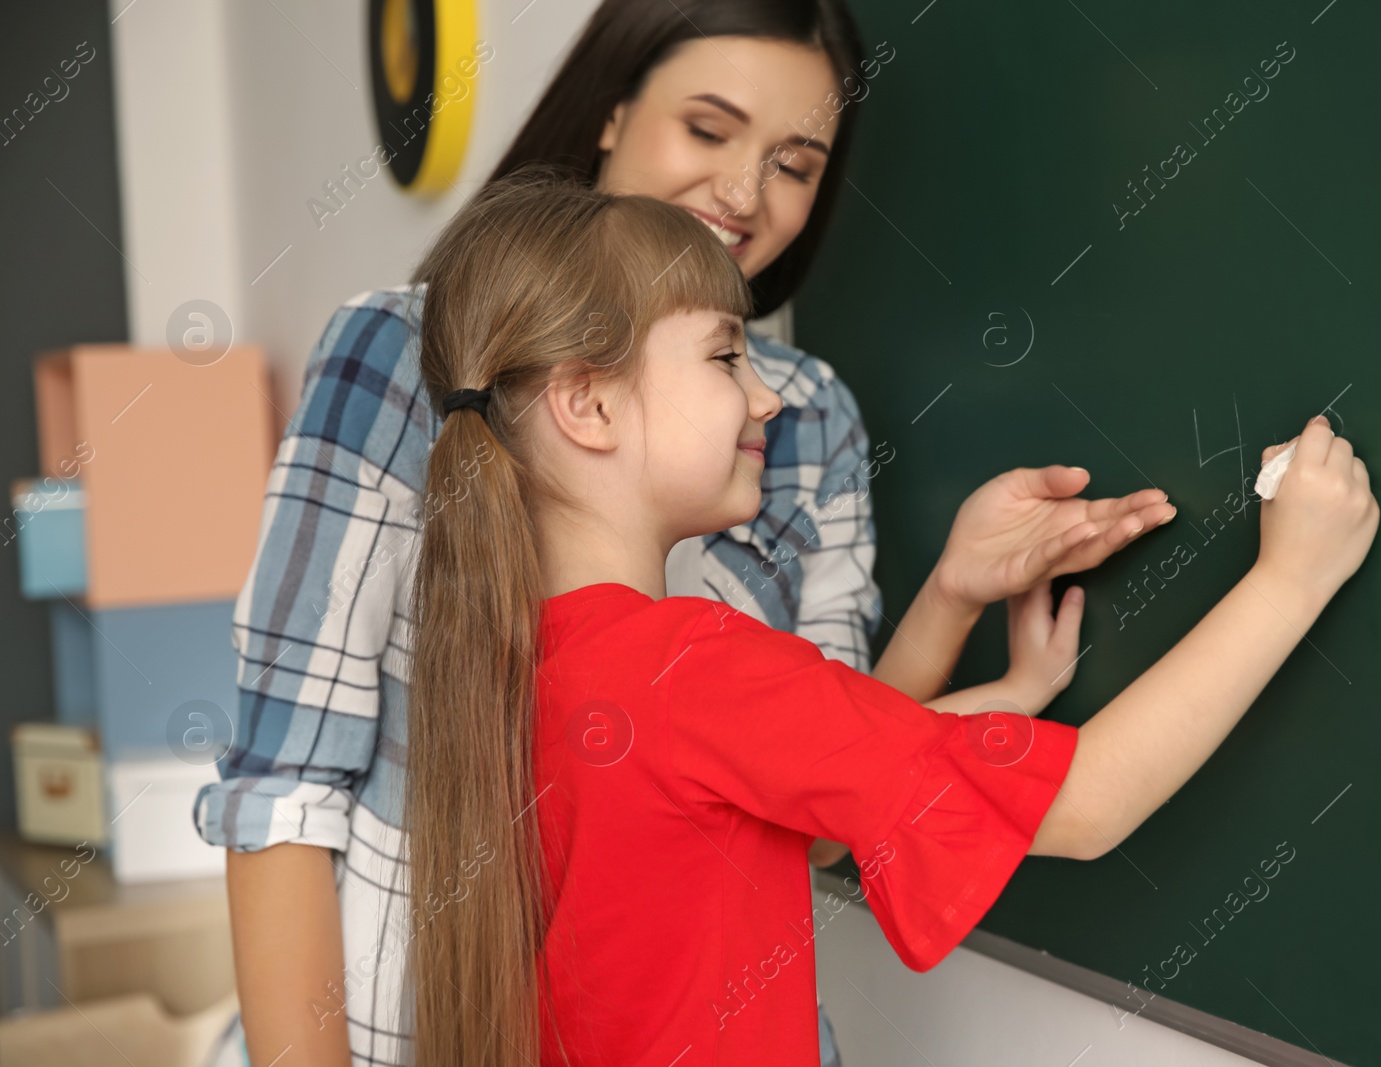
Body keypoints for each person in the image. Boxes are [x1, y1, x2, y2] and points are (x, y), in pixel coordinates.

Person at [195, 2, 1173, 1064]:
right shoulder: (404, 349)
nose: (744, 194)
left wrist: (952, 595)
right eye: (708, 132)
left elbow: (817, 779)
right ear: (610, 116)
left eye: (795, 163)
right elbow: (282, 786)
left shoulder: (804, 413)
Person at [400, 172, 1379, 1066]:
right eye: (724, 353)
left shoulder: (534, 669)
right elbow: (1085, 804)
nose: (766, 392)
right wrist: (1292, 575)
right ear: (588, 404)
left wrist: (974, 631)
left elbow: (787, 819)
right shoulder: (686, 666)